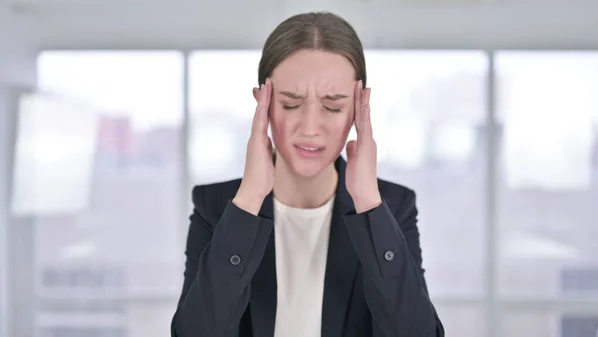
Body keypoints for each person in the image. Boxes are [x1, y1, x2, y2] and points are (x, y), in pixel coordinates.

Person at [171, 11, 444, 337]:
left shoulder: (392, 207)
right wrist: (249, 199)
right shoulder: (216, 207)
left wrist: (369, 203)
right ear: (263, 103)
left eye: (332, 107)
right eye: (289, 104)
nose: (310, 128)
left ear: (358, 110)